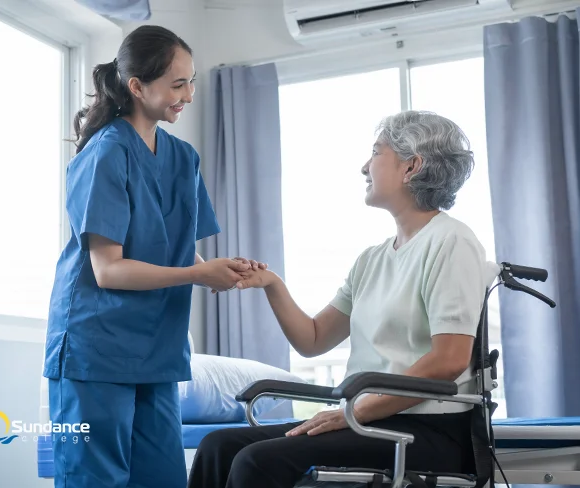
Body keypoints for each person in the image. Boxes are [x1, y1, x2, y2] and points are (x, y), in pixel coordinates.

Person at [187, 110, 499, 488]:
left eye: (376, 153)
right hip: (369, 420)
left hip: (427, 428)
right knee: (218, 445)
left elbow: (449, 360)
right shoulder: (372, 259)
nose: (364, 167)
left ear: (411, 167)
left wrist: (357, 412)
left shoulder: (452, 241)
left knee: (259, 461)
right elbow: (313, 340)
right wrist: (272, 284)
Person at [42, 25, 264, 488]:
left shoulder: (184, 158)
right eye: (177, 84)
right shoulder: (105, 153)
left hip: (158, 349)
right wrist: (199, 274)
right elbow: (107, 270)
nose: (189, 94)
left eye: (192, 81)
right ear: (137, 87)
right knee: (95, 478)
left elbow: (179, 245)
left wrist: (219, 269)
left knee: (162, 479)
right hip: (95, 348)